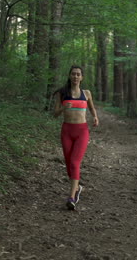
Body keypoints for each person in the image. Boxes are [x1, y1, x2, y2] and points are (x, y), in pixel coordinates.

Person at [53, 65, 99, 210]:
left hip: (82, 131)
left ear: (82, 77)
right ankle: (77, 187)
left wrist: (95, 117)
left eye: (78, 74)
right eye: (73, 74)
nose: (76, 76)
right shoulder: (62, 93)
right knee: (69, 165)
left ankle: (72, 197)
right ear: (69, 76)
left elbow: (91, 107)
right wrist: (63, 108)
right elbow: (54, 114)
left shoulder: (86, 93)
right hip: (66, 130)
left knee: (74, 162)